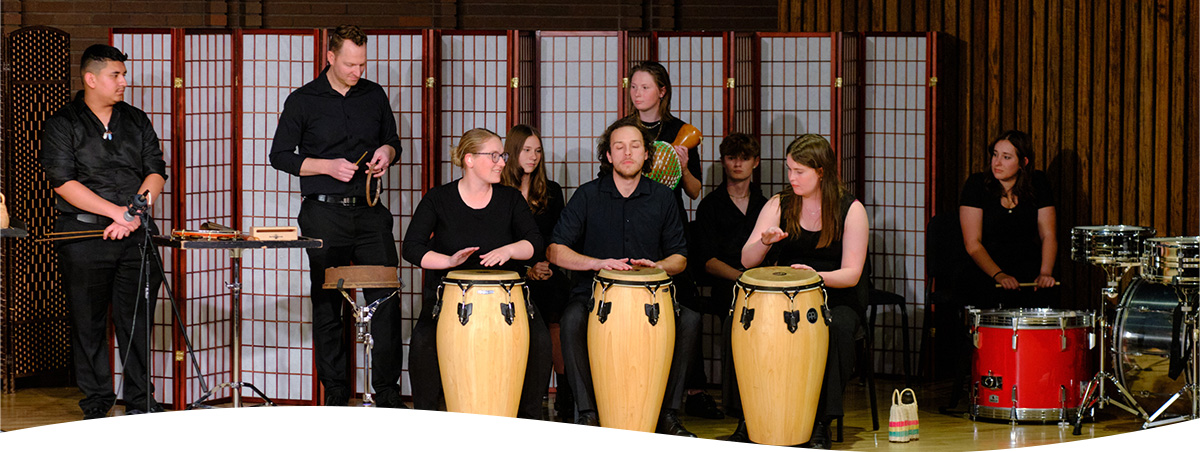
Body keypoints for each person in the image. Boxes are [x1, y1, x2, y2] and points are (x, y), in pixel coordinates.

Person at [269, 25, 405, 407]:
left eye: (362, 64)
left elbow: (393, 142)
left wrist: (386, 154)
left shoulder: (374, 95)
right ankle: (335, 393)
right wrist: (326, 166)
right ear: (330, 57)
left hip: (370, 212)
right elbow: (280, 156)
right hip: (323, 213)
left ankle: (387, 393)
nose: (356, 71)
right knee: (328, 304)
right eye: (349, 64)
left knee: (385, 299)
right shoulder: (303, 100)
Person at [548, 116, 701, 436]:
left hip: (650, 296)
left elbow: (680, 258)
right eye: (619, 147)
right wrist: (597, 263)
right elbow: (555, 250)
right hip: (594, 294)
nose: (627, 153)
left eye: (635, 146)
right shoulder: (587, 195)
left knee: (689, 320)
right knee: (572, 319)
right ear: (608, 155)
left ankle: (668, 414)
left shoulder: (662, 197)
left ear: (647, 154)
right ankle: (587, 414)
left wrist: (657, 266)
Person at [40, 44, 168, 419]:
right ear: (91, 79)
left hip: (136, 235)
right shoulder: (63, 122)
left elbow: (156, 171)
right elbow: (63, 182)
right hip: (83, 236)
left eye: (123, 74)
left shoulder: (136, 119)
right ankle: (97, 401)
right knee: (88, 322)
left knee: (137, 321)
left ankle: (141, 400)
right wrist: (117, 213)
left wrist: (133, 213)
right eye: (116, 75)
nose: (124, 82)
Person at [402, 128, 553, 420]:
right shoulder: (439, 198)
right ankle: (426, 421)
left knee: (539, 340)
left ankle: (529, 420)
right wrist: (448, 260)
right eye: (494, 156)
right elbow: (411, 247)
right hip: (449, 298)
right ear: (469, 160)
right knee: (423, 342)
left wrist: (509, 250)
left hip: (507, 299)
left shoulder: (510, 199)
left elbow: (535, 243)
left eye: (502, 155)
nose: (502, 162)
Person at [739, 134, 869, 448]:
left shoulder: (850, 209)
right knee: (744, 322)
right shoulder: (780, 203)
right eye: (789, 169)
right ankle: (750, 418)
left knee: (837, 328)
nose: (791, 177)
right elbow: (746, 260)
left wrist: (814, 277)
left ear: (821, 172)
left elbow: (852, 274)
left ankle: (821, 423)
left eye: (799, 171)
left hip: (834, 294)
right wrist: (764, 242)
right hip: (785, 297)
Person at [626, 60, 720, 420]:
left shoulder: (682, 132)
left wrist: (681, 166)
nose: (637, 94)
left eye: (645, 87)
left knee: (686, 302)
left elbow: (695, 191)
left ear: (662, 91)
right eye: (634, 87)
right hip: (633, 222)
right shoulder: (625, 130)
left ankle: (694, 390)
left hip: (671, 227)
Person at [691, 133, 767, 430]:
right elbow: (707, 261)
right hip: (727, 284)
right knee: (736, 316)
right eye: (732, 157)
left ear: (755, 162)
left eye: (744, 158)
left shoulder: (767, 205)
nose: (738, 164)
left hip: (763, 284)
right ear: (723, 161)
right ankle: (736, 402)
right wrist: (741, 278)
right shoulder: (710, 206)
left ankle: (768, 393)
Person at [498, 124, 574, 421]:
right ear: (513, 152)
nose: (533, 157)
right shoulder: (499, 190)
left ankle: (565, 395)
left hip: (546, 269)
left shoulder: (551, 190)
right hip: (511, 272)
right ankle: (525, 393)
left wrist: (546, 266)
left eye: (538, 151)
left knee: (558, 302)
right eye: (527, 150)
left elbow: (559, 236)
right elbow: (498, 241)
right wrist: (527, 270)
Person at [959, 129, 1058, 309]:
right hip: (986, 269)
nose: (997, 163)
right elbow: (972, 244)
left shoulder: (1038, 182)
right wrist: (999, 275)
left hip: (1027, 266)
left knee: (1045, 294)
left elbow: (1048, 235)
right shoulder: (976, 184)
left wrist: (1045, 272)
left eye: (1006, 157)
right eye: (995, 155)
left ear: (1023, 162)